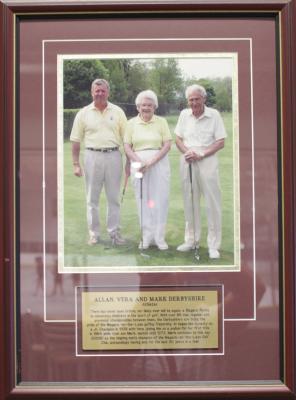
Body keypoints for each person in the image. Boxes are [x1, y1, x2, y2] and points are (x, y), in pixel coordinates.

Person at [70, 78, 128, 246]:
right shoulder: (83, 113)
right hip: (91, 157)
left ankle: (114, 233)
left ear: (108, 92)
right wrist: (75, 163)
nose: (100, 93)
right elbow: (75, 141)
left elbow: (126, 139)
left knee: (114, 198)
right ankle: (94, 234)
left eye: (103, 91)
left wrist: (129, 162)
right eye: (97, 91)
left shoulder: (117, 112)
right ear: (92, 92)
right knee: (92, 199)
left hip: (114, 156)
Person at [175, 84, 227, 259]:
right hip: (187, 160)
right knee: (190, 202)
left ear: (204, 99)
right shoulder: (184, 114)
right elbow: (178, 138)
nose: (194, 102)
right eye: (191, 99)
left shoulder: (214, 115)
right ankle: (191, 240)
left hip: (207, 160)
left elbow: (220, 141)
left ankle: (213, 245)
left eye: (197, 99)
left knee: (212, 203)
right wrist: (187, 152)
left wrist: (201, 153)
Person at [124, 90, 172, 250]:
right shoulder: (131, 124)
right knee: (142, 200)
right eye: (143, 105)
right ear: (138, 107)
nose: (146, 107)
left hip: (158, 163)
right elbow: (127, 146)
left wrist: (150, 162)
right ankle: (146, 237)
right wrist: (139, 161)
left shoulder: (162, 122)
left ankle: (159, 238)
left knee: (160, 200)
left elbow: (167, 145)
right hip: (138, 164)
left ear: (155, 107)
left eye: (150, 105)